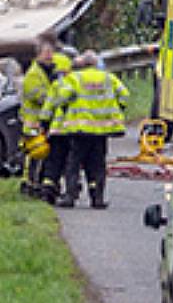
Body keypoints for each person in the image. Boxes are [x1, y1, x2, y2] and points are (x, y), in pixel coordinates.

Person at [42, 51, 128, 208]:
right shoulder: (109, 78)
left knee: (73, 163)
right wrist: (115, 111)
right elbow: (124, 96)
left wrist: (67, 108)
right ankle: (98, 198)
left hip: (80, 130)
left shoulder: (75, 78)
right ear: (96, 64)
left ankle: (70, 197)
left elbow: (62, 96)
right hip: (103, 130)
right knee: (98, 163)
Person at [20, 34, 72, 202]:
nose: (49, 55)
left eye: (51, 52)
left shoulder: (53, 71)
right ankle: (30, 184)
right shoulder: (33, 74)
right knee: (35, 154)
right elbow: (39, 96)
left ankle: (44, 183)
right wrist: (55, 93)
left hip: (49, 121)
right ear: (38, 54)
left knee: (49, 156)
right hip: (33, 122)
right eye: (46, 52)